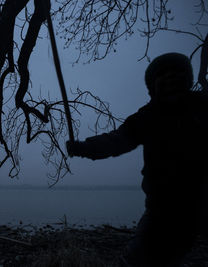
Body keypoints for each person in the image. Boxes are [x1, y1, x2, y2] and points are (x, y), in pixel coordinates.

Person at [66, 53, 208, 266]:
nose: (170, 78)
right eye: (163, 74)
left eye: (177, 73)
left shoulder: (204, 107)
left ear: (187, 80)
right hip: (162, 209)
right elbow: (116, 141)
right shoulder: (147, 117)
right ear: (153, 85)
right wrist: (85, 148)